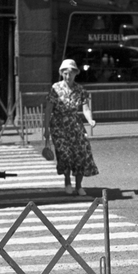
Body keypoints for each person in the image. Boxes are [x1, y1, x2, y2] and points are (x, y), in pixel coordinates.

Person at [43, 58, 98, 196]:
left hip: (75, 126)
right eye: (65, 73)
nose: (68, 76)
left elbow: (85, 108)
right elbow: (48, 109)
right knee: (65, 155)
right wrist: (46, 129)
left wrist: (90, 120)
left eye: (71, 73)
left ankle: (79, 186)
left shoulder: (80, 89)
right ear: (62, 73)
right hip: (59, 126)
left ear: (75, 73)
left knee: (81, 154)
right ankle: (67, 182)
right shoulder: (55, 88)